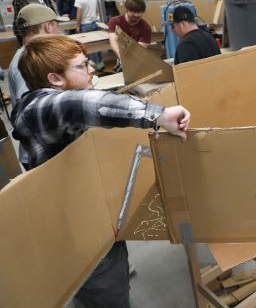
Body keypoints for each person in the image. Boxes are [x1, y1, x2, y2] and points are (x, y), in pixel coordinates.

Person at [11, 34, 190, 308]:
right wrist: (159, 115)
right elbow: (78, 104)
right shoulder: (37, 109)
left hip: (95, 219)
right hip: (82, 239)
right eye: (82, 66)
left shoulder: (50, 105)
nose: (93, 68)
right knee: (108, 293)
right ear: (55, 79)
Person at [8, 4, 67, 170]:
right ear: (48, 26)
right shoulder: (28, 60)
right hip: (42, 156)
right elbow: (30, 111)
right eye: (57, 25)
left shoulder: (34, 55)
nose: (59, 31)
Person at [108, 0, 152, 71]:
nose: (137, 15)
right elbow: (113, 43)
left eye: (139, 12)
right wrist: (121, 58)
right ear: (126, 9)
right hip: (121, 58)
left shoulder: (145, 27)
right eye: (133, 12)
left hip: (138, 60)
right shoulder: (115, 22)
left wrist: (126, 60)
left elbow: (139, 50)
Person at [74, 0, 104, 69]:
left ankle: (96, 67)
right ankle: (100, 64)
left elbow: (79, 14)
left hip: (86, 25)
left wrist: (78, 26)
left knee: (91, 48)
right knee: (97, 46)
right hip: (95, 23)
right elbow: (97, 11)